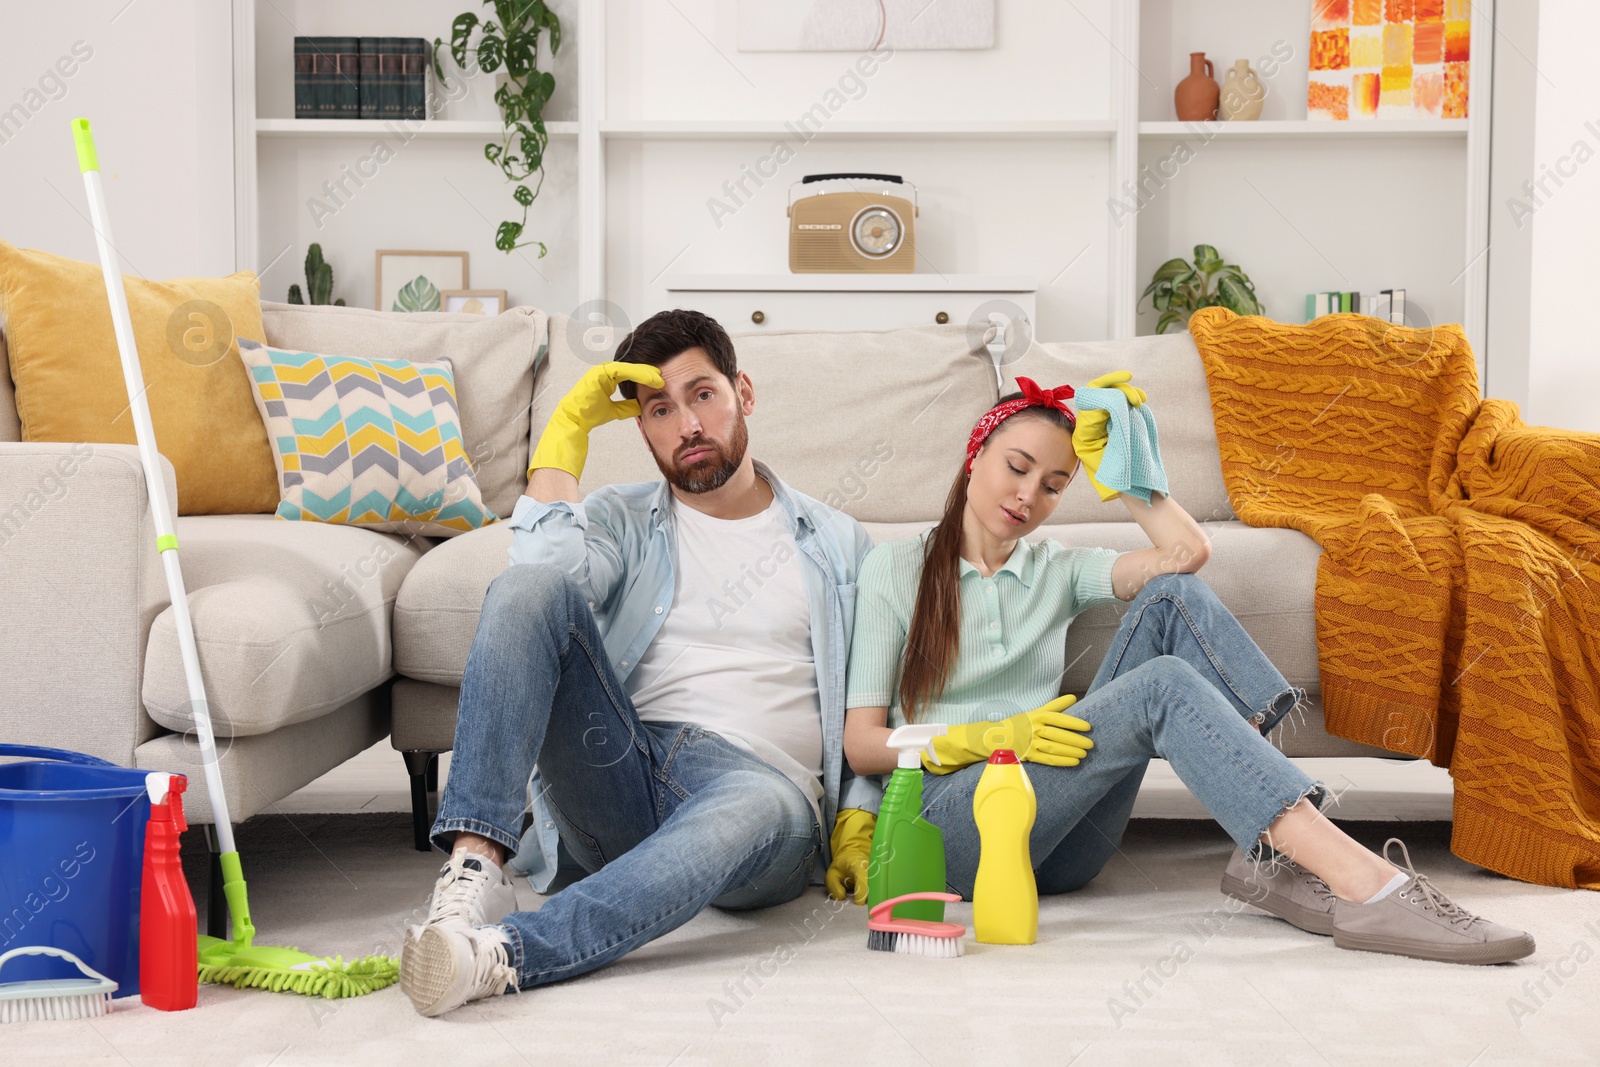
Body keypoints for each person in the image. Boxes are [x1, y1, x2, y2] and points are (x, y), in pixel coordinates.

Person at [831, 374, 1534, 966]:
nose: (1029, 496)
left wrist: (1133, 485)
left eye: (1053, 485)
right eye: (1016, 467)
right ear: (975, 454)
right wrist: (986, 737)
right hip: (951, 830)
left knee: (1174, 598)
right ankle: (1366, 883)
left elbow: (1184, 557)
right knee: (1162, 685)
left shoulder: (1057, 566)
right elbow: (861, 742)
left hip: (1061, 840)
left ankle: (1273, 843)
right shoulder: (896, 567)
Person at [398, 309, 880, 1016]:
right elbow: (539, 581)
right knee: (530, 585)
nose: (686, 423)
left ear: (743, 391)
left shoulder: (838, 542)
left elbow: (875, 690)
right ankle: (475, 867)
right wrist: (563, 434)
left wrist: (859, 820)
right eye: (660, 408)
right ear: (640, 427)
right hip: (622, 764)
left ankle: (501, 954)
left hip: (761, 787)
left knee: (744, 805)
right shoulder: (621, 518)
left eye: (702, 394)